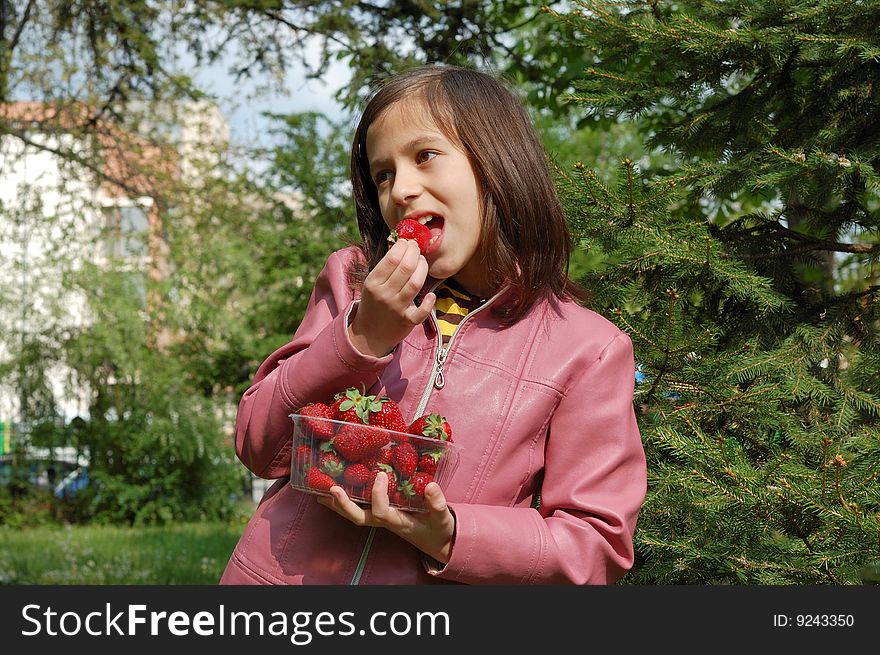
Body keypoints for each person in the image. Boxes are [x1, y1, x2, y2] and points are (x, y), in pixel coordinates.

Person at [219, 64, 647, 585]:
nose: (401, 189)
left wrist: (447, 533)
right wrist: (359, 339)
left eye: (425, 156)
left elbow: (595, 546)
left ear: (496, 163)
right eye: (383, 174)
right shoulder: (352, 283)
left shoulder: (587, 350)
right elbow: (258, 446)